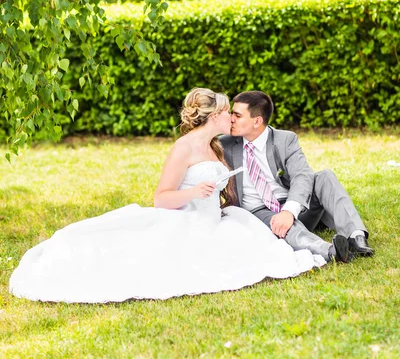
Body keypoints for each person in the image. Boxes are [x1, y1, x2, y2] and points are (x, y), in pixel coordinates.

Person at [9, 88, 325, 304]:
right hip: (185, 219)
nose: (231, 118)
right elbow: (161, 198)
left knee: (253, 244)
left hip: (214, 218)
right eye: (227, 112)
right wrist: (193, 192)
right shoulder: (183, 147)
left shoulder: (216, 146)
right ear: (213, 115)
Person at [220, 90, 374, 264]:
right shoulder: (224, 144)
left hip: (295, 205)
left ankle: (356, 235)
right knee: (283, 227)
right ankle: (332, 251)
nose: (231, 118)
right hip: (259, 211)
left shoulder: (285, 139)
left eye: (237, 115)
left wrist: (289, 211)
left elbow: (302, 175)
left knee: (325, 176)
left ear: (257, 121)